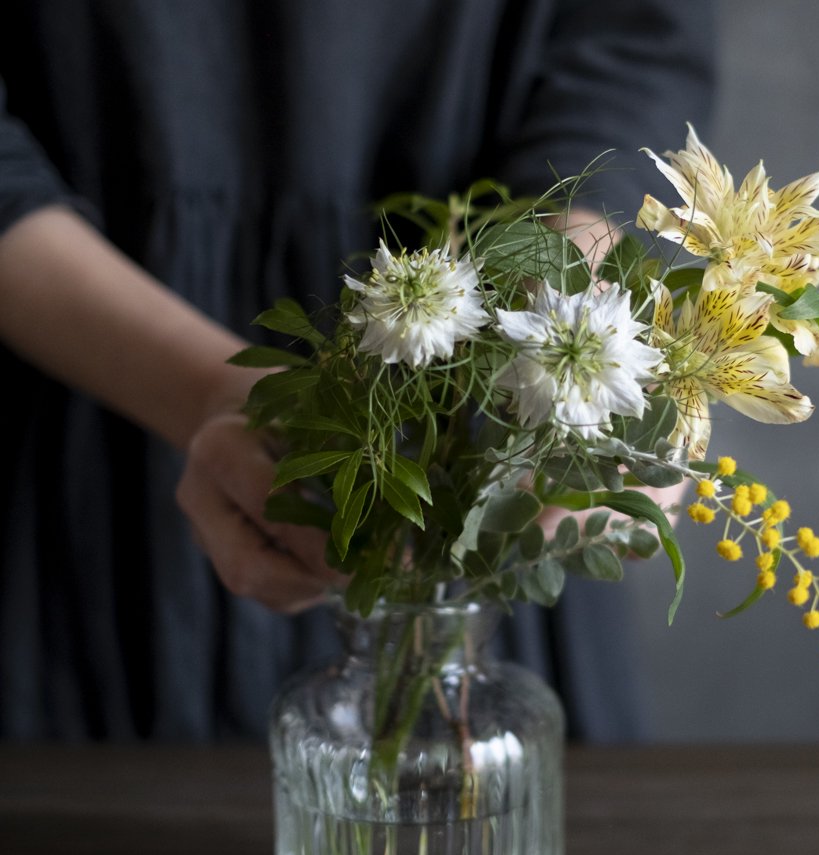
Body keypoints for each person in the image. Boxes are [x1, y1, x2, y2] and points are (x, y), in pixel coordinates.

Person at [0, 1, 718, 741]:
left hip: (482, 446)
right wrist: (209, 392)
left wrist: (564, 300)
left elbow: (631, 43)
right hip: (91, 394)